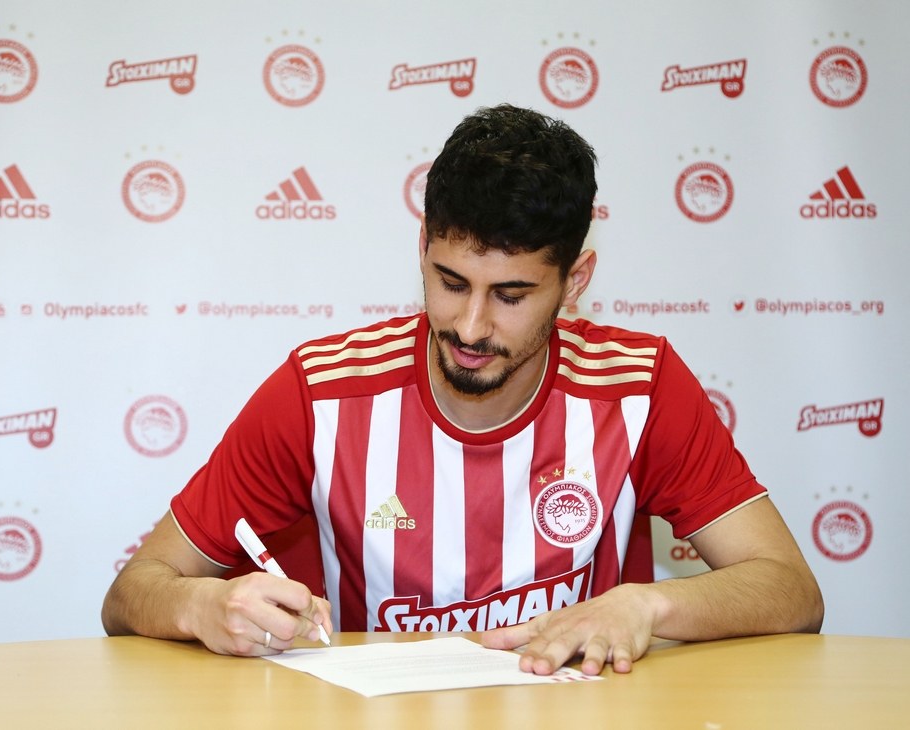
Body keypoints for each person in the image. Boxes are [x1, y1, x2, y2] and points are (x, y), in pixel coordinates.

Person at [102, 103, 823, 676]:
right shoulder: (321, 395)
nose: (471, 327)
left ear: (575, 282)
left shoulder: (639, 386)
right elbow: (133, 592)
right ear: (422, 248)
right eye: (450, 283)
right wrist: (203, 605)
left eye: (511, 295)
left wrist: (647, 606)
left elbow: (791, 590)